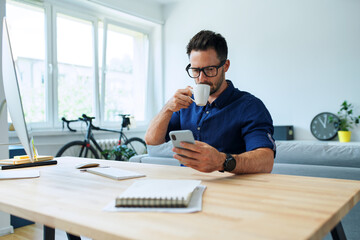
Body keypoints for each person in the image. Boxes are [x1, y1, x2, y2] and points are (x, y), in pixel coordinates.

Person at [145, 30, 275, 174]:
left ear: (225, 66)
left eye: (209, 70)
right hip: (187, 186)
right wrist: (167, 109)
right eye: (195, 70)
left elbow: (266, 161)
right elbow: (151, 140)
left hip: (231, 190)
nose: (201, 78)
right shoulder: (184, 104)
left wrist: (222, 161)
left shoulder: (249, 106)